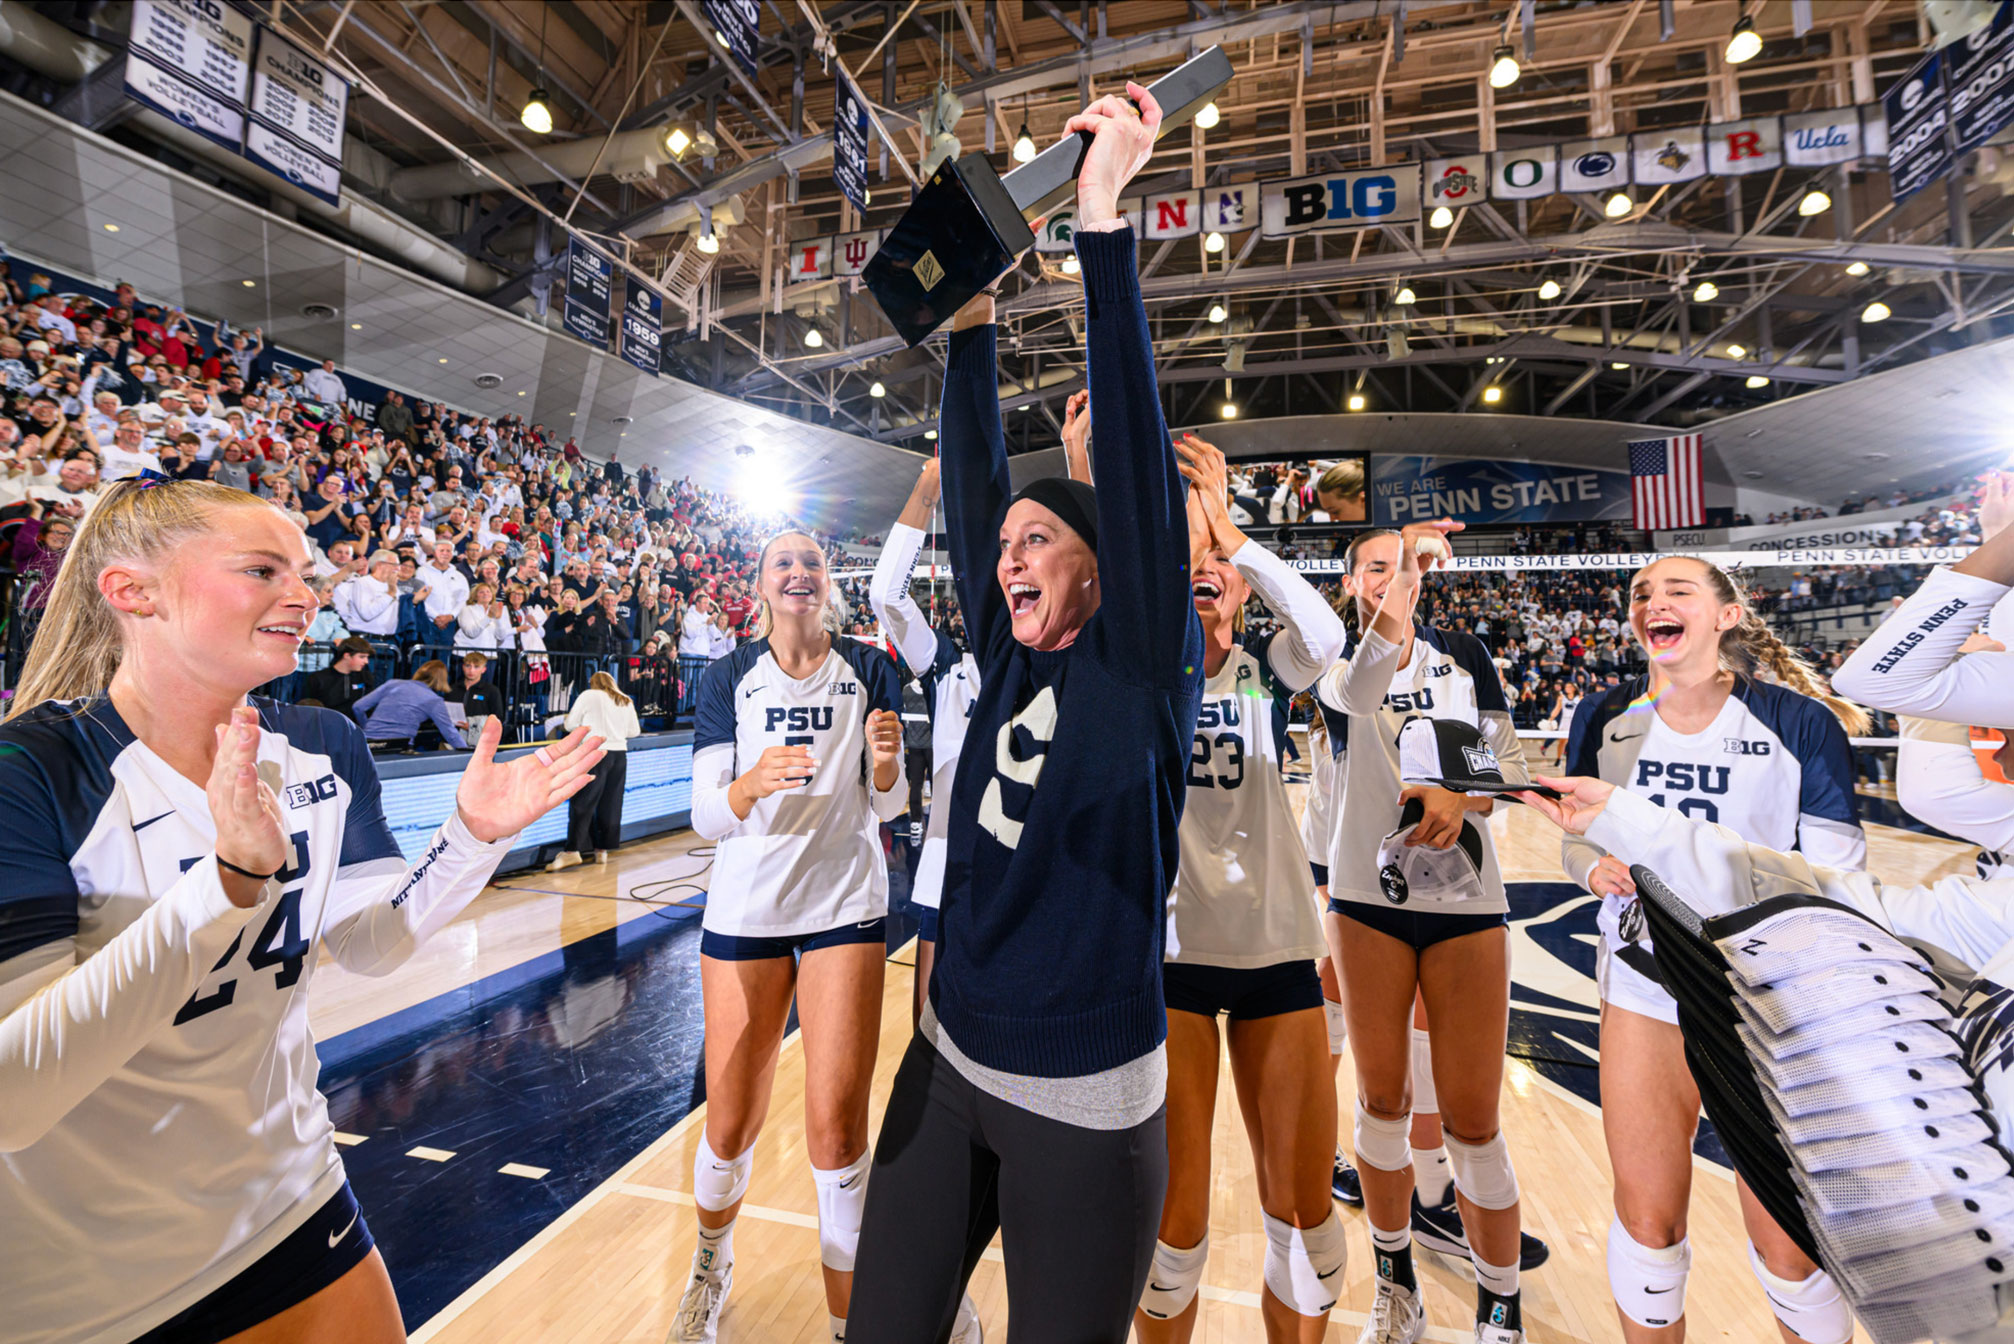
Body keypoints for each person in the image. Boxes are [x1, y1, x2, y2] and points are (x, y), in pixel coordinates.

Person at [0, 477, 603, 1344]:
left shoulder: (322, 741)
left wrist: (471, 836)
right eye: (262, 569)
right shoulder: (32, 772)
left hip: (293, 1196)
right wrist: (226, 886)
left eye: (305, 572)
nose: (304, 595)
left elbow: (370, 945)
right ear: (134, 593)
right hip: (96, 1274)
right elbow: (16, 1097)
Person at [847, 82, 1201, 1342]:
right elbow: (972, 477)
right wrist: (974, 319)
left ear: (1104, 567)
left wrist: (1101, 223)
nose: (1006, 555)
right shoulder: (1002, 650)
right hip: (950, 1059)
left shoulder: (1146, 664)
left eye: (1038, 539)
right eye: (1003, 546)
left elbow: (1145, 476)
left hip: (1084, 1102)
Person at [1560, 556, 1867, 1344]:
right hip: (1644, 985)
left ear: (1728, 616)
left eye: (1676, 591)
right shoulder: (1604, 717)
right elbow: (1576, 835)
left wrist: (1697, 861)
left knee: (1791, 1250)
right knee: (1649, 1226)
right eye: (1639, 594)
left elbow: (1839, 876)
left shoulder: (1800, 724)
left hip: (1770, 998)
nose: (1651, 603)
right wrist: (1590, 867)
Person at [1135, 435, 1349, 1343]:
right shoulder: (1145, 672)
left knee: (1306, 1228)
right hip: (1174, 960)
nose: (1206, 567)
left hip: (1274, 955)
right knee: (1173, 1232)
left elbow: (1330, 634)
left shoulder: (1272, 666)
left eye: (1218, 558)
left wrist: (1233, 534)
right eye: (1191, 557)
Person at [673, 531, 906, 1343]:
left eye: (812, 562)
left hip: (844, 902)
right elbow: (707, 817)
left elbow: (889, 807)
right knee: (731, 1124)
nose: (800, 572)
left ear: (825, 585)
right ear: (762, 587)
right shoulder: (727, 675)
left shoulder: (871, 667)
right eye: (784, 563)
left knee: (839, 1130)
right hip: (746, 910)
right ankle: (710, 1261)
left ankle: (850, 1320)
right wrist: (747, 783)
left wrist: (884, 766)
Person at [1315, 523, 1535, 1343]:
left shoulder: (1466, 654)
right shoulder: (1336, 663)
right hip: (1368, 899)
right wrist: (1399, 589)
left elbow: (1506, 767)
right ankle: (1396, 1283)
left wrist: (1460, 797)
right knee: (1381, 1102)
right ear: (1351, 584)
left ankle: (1500, 1308)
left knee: (1474, 1120)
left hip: (1468, 899)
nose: (1388, 577)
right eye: (1374, 567)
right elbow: (1367, 691)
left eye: (1399, 564)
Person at [866, 457, 981, 1032]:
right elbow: (886, 595)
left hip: (1035, 884)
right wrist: (923, 497)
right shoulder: (949, 667)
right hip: (948, 874)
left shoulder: (1062, 665)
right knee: (931, 1045)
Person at [546, 670, 642, 871]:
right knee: (611, 803)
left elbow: (570, 724)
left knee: (583, 802)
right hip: (618, 755)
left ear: (593, 683)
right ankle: (602, 850)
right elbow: (634, 731)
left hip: (594, 753)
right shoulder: (625, 699)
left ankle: (572, 851)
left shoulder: (588, 695)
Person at [353, 660, 466, 750]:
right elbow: (450, 733)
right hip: (398, 747)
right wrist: (467, 754)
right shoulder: (434, 700)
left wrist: (367, 728)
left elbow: (358, 707)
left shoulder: (392, 683)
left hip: (368, 743)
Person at [304, 635, 376, 719]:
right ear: (347, 656)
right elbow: (307, 709)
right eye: (362, 657)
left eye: (367, 657)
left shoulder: (365, 677)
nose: (366, 661)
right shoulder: (317, 679)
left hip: (356, 727)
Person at [459, 651, 505, 740]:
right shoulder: (453, 689)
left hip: (481, 739)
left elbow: (498, 718)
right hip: (454, 739)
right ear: (463, 667)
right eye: (468, 666)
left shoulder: (491, 690)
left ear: (484, 669)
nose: (471, 670)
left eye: (476, 667)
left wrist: (472, 725)